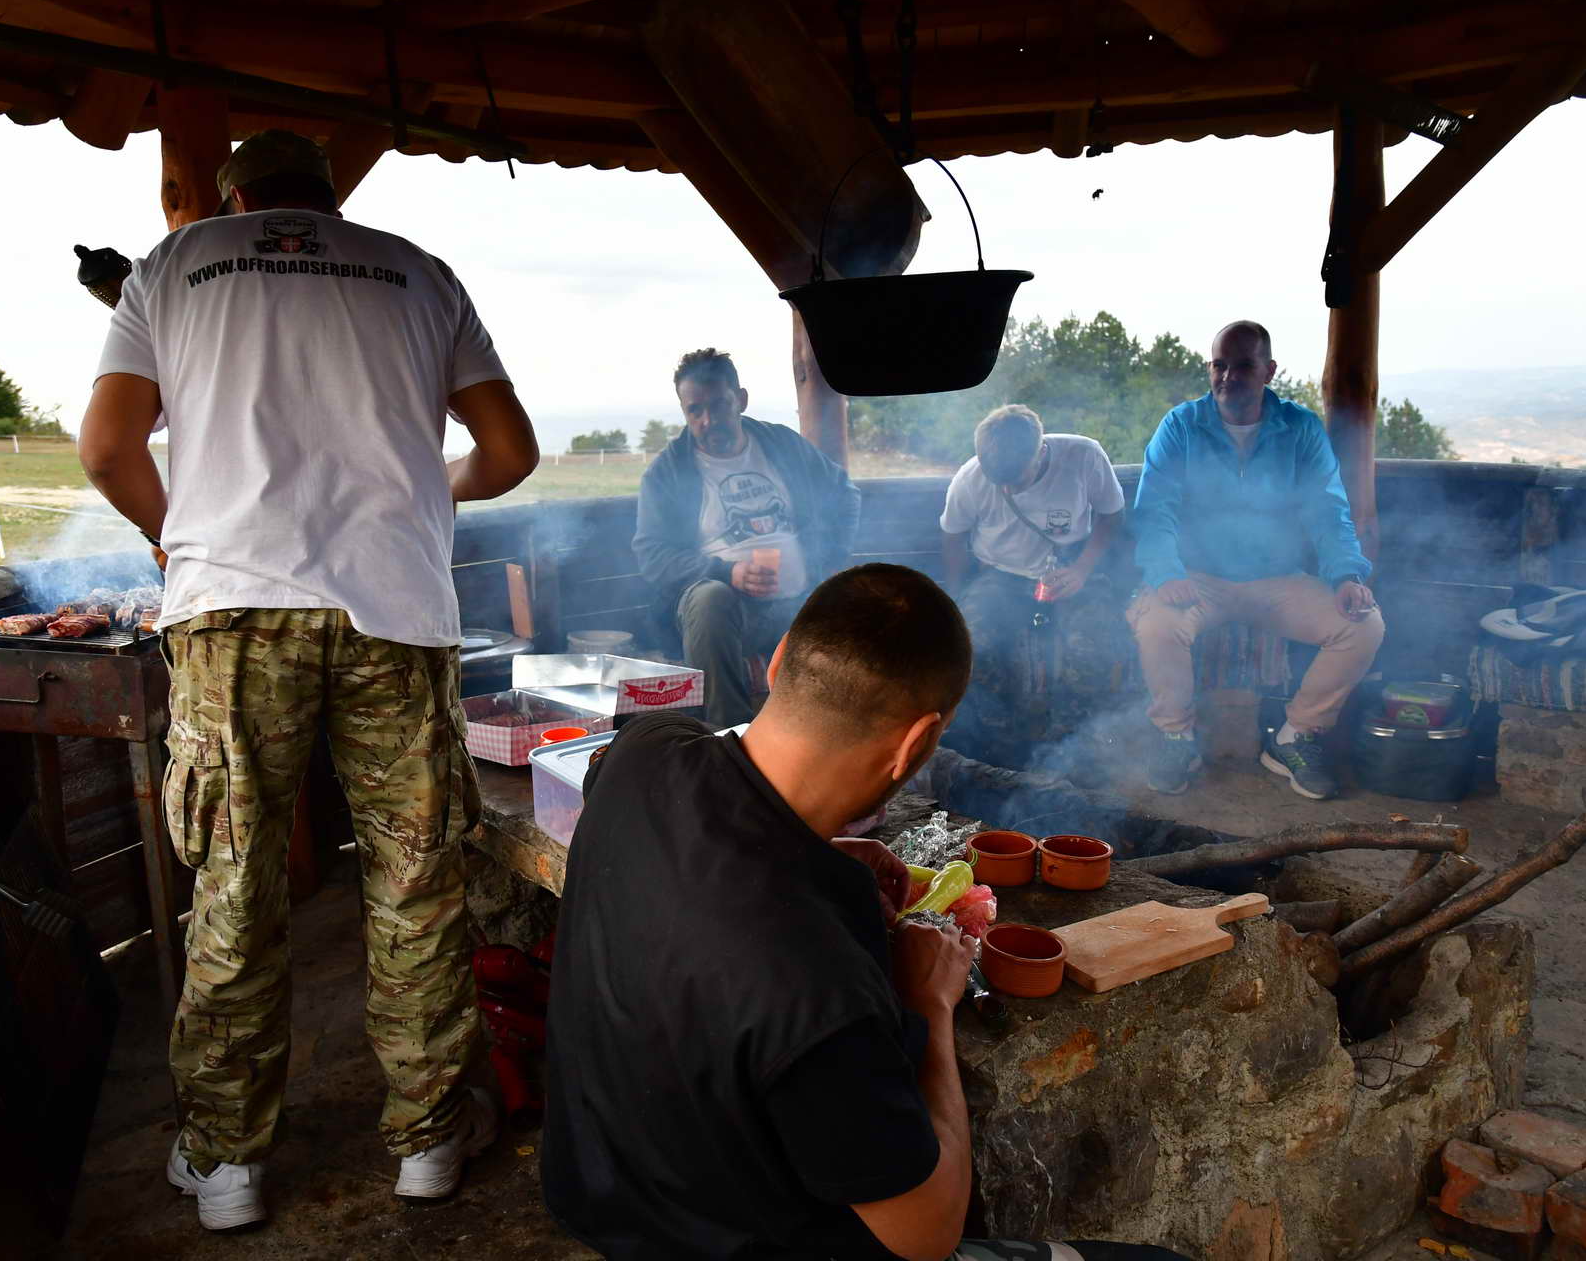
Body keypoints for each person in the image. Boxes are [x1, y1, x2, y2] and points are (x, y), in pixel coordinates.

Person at [77, 129, 539, 1231]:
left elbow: (107, 449)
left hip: (233, 611)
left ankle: (227, 1162)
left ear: (232, 195)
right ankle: (429, 1137)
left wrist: (172, 533)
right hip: (396, 610)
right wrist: (428, 486)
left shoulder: (174, 264)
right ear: (332, 198)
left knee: (235, 882)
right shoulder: (418, 271)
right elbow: (510, 451)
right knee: (416, 879)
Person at [541, 563, 1192, 1261]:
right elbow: (925, 1234)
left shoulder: (642, 752)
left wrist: (818, 851)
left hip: (594, 1198)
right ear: (916, 743)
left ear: (779, 661)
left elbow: (698, 841)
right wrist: (929, 1005)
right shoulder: (818, 977)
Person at [1128, 320, 1384, 800]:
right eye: (1219, 365)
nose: (1228, 377)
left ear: (1269, 371)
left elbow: (1328, 511)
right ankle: (1175, 737)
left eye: (1243, 366)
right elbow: (1154, 509)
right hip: (1198, 579)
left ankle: (1295, 737)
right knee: (1157, 625)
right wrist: (1165, 574)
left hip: (1277, 579)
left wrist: (1348, 575)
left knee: (1363, 625)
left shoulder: (1299, 428)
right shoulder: (1181, 426)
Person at [632, 347, 861, 726]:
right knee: (710, 598)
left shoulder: (781, 445)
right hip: (729, 615)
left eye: (718, 405)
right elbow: (651, 555)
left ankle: (842, 736)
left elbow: (843, 493)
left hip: (800, 604)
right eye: (695, 410)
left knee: (862, 600)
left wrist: (828, 561)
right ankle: (730, 735)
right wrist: (727, 572)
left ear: (740, 399)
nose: (708, 420)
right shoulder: (667, 473)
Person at [940, 405, 1127, 766]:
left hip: (1072, 568)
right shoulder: (970, 478)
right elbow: (952, 537)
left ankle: (1071, 748)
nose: (1007, 488)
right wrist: (956, 598)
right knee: (972, 647)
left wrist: (1083, 569)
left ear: (1040, 451)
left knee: (1093, 644)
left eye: (1016, 478)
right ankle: (996, 745)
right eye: (998, 479)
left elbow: (1112, 514)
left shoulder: (1084, 456)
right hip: (1000, 575)